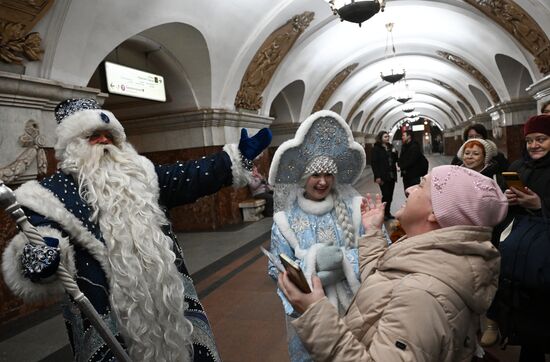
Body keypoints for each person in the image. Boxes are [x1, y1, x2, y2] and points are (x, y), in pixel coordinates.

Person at [1, 98, 272, 362]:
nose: (105, 141)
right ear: (72, 145)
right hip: (105, 312)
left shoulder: (141, 173)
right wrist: (39, 253)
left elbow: (190, 175)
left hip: (172, 304)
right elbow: (36, 239)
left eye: (110, 135)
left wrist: (232, 159)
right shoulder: (46, 196)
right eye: (94, 136)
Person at [278, 165, 508, 361]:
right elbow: (386, 283)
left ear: (436, 214)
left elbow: (407, 295)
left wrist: (316, 313)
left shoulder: (422, 298)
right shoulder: (433, 254)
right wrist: (372, 234)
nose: (408, 188)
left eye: (420, 185)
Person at [267, 110, 366, 362]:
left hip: (357, 306)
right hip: (310, 310)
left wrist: (342, 262)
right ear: (303, 178)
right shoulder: (285, 221)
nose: (323, 181)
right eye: (316, 175)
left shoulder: (354, 209)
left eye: (328, 175)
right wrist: (314, 266)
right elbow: (275, 268)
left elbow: (375, 251)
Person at [487, 114, 550, 361]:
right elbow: (505, 207)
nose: (534, 145)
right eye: (529, 140)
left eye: (542, 139)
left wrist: (539, 204)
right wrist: (508, 199)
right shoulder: (517, 168)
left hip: (544, 255)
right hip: (521, 252)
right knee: (528, 322)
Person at [371, 130, 398, 220]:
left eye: (387, 136)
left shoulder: (391, 147)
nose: (387, 138)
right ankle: (382, 213)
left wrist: (395, 152)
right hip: (382, 176)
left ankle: (387, 213)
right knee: (386, 194)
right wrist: (377, 176)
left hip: (391, 175)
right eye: (385, 137)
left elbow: (395, 160)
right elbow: (374, 163)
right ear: (381, 138)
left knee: (390, 195)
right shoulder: (376, 149)